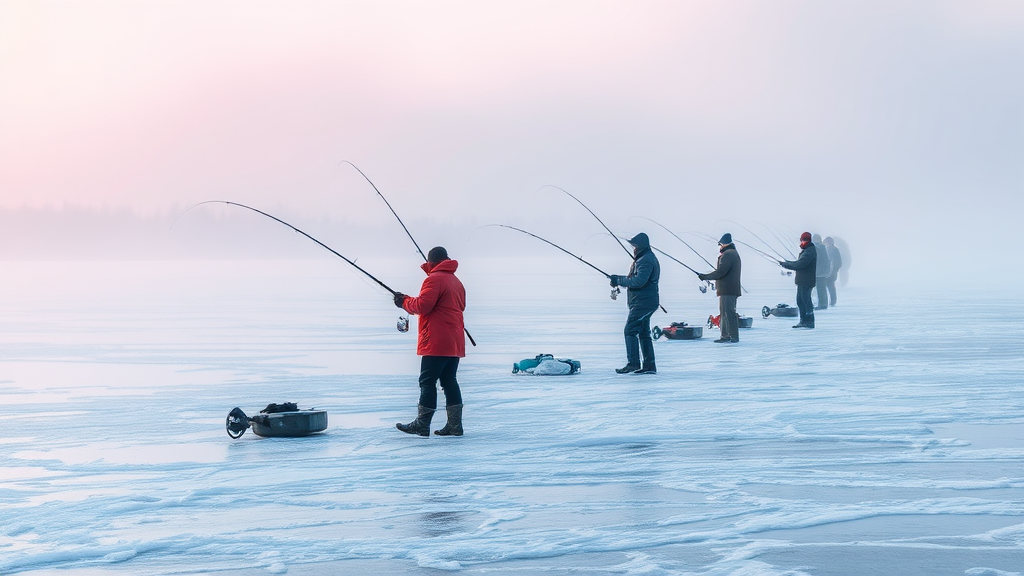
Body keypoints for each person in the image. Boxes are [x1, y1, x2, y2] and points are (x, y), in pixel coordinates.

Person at [393, 246, 466, 437]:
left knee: (427, 381)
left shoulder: (433, 279)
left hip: (436, 340)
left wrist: (404, 302)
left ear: (431, 262)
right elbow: (460, 306)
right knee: (449, 381)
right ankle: (455, 426)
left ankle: (422, 424)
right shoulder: (455, 281)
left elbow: (423, 306)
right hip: (454, 340)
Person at [609, 233, 660, 374]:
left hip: (643, 303)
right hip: (644, 302)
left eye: (635, 246)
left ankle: (633, 363)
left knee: (630, 330)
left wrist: (619, 280)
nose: (633, 249)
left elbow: (639, 281)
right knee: (643, 333)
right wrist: (619, 279)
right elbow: (634, 279)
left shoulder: (646, 260)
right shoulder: (644, 258)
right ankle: (649, 365)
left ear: (640, 246)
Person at [698, 233, 741, 344]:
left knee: (729, 313)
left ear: (723, 244)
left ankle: (732, 336)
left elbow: (721, 272)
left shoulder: (728, 254)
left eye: (720, 244)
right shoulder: (732, 253)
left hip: (728, 289)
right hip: (727, 289)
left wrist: (705, 276)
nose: (719, 247)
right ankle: (725, 335)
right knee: (724, 313)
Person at [779, 232, 817, 329]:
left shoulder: (809, 251)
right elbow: (798, 263)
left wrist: (786, 265)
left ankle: (808, 321)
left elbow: (799, 265)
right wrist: (786, 263)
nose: (802, 241)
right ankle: (803, 320)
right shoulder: (807, 250)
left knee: (805, 301)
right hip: (803, 280)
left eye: (804, 240)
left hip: (806, 281)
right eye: (802, 239)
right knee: (800, 301)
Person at [811, 233, 831, 310]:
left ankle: (822, 304)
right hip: (820, 272)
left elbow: (824, 260)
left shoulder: (819, 247)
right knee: (821, 289)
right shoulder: (822, 247)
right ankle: (823, 304)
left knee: (821, 289)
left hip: (819, 272)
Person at [824, 236, 842, 306]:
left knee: (827, 287)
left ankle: (829, 302)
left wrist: (829, 272)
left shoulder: (829, 250)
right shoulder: (836, 249)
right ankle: (833, 301)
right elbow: (840, 262)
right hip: (833, 272)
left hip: (829, 272)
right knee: (831, 287)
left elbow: (831, 262)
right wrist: (836, 270)